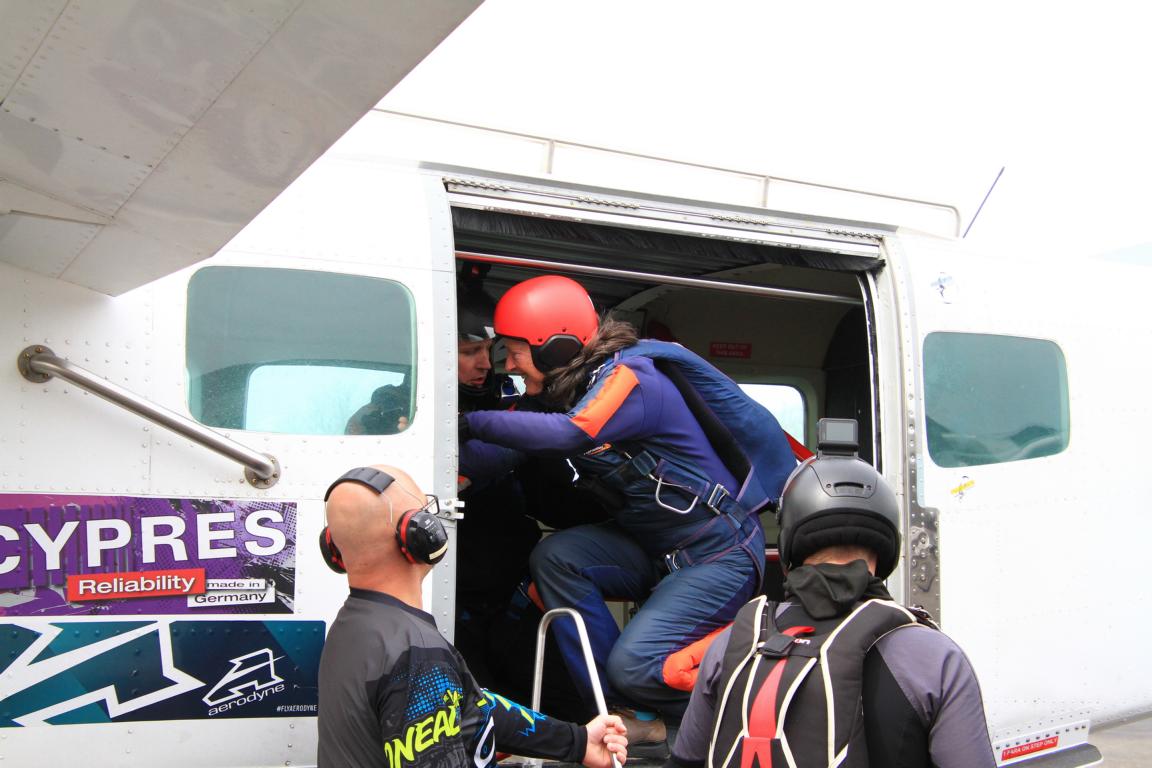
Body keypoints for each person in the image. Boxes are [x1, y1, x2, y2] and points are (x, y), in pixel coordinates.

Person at [459, 275, 797, 751]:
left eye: (515, 352)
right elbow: (504, 449)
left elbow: (570, 434)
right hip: (658, 548)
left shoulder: (631, 378)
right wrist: (450, 459)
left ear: (556, 349)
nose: (508, 365)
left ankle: (735, 711)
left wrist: (468, 421)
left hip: (718, 553)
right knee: (557, 558)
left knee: (636, 666)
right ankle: (621, 711)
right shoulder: (565, 390)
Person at [666, 419, 996, 768]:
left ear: (789, 544)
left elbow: (685, 762)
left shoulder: (732, 645)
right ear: (887, 547)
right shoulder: (934, 658)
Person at [316, 463, 629, 768]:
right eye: (428, 512)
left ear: (334, 548)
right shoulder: (418, 656)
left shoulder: (354, 626)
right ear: (418, 536)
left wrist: (578, 742)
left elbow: (473, 704)